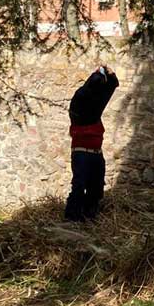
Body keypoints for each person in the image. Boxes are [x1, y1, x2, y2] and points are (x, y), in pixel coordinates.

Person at [64, 64, 119, 222]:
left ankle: (89, 217)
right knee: (79, 186)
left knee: (96, 188)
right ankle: (72, 218)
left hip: (96, 154)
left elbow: (110, 87)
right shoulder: (79, 108)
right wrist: (99, 74)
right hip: (81, 154)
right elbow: (92, 86)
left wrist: (111, 75)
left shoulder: (94, 111)